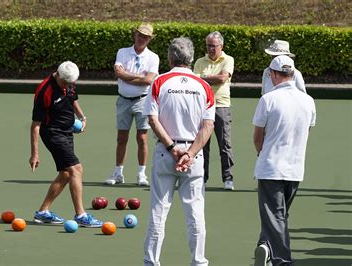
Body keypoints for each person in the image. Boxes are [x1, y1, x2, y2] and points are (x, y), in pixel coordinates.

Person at [143, 37, 215, 266]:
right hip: (194, 157)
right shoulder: (204, 86)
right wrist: (190, 153)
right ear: (192, 58)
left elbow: (152, 120)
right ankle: (199, 262)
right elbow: (208, 126)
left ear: (170, 57)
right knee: (195, 213)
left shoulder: (159, 82)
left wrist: (173, 149)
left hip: (166, 152)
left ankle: (151, 262)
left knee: (158, 212)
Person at [252, 55, 316, 266]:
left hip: (271, 168)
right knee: (279, 216)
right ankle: (265, 246)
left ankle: (283, 261)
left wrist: (262, 153)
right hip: (296, 170)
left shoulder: (268, 99)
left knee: (275, 217)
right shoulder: (308, 101)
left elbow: (257, 137)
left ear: (274, 74)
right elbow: (306, 131)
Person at [29, 61, 103, 228]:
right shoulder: (44, 91)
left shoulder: (69, 81)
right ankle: (81, 215)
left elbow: (72, 100)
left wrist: (82, 117)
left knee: (66, 173)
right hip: (52, 133)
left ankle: (42, 212)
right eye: (66, 83)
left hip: (67, 132)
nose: (69, 86)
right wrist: (35, 153)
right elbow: (35, 125)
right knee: (76, 168)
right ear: (58, 75)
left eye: (71, 83)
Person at [105, 22, 160, 186]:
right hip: (123, 100)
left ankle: (141, 174)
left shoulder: (153, 57)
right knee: (121, 138)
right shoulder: (122, 52)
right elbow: (118, 73)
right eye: (139, 35)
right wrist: (139, 79)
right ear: (135, 34)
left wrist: (127, 76)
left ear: (149, 39)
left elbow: (149, 80)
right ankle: (118, 173)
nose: (141, 39)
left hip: (143, 101)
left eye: (145, 37)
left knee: (142, 138)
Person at [193, 31, 235, 190]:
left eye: (214, 46)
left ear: (221, 46)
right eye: (208, 45)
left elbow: (222, 78)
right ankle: (202, 178)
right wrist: (210, 78)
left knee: (225, 144)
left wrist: (203, 77)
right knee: (203, 145)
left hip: (221, 106)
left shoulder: (228, 59)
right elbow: (195, 82)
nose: (211, 49)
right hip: (203, 107)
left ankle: (228, 178)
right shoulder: (199, 61)